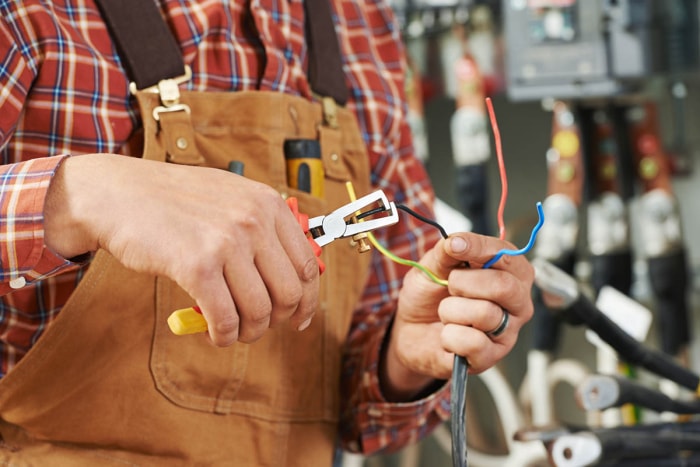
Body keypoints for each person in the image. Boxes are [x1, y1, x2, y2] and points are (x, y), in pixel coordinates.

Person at [0, 1, 534, 465]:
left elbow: (360, 410)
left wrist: (406, 356)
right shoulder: (30, 11)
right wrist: (81, 197)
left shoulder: (359, 21)